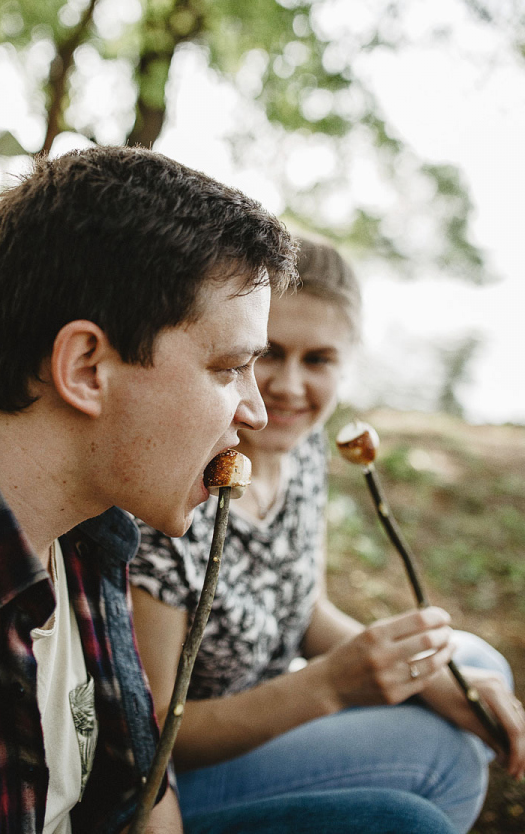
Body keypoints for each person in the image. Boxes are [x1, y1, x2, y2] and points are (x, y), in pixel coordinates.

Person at [0, 146, 459, 834]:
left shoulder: (92, 524)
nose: (258, 410)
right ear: (87, 368)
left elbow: (136, 792)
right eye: (229, 368)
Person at [130, 233, 525, 834]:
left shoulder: (305, 448)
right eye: (268, 354)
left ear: (348, 359)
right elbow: (150, 731)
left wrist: (418, 673)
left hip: (275, 698)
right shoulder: (172, 496)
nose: (288, 387)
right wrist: (332, 688)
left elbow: (305, 607)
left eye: (318, 360)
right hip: (180, 772)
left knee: (471, 660)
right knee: (446, 760)